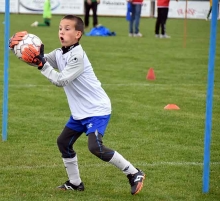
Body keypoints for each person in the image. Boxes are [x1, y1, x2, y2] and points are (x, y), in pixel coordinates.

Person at [9, 15, 146, 195]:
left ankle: (134, 173)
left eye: (67, 29)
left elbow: (60, 80)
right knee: (63, 142)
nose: (62, 32)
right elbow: (38, 60)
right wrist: (19, 49)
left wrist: (41, 64)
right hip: (80, 112)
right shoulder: (60, 53)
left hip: (97, 109)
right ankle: (75, 183)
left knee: (95, 147)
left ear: (78, 34)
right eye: (60, 28)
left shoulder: (77, 56)